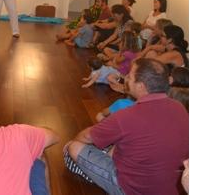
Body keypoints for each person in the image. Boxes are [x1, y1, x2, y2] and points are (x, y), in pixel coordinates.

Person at [64, 58, 189, 195]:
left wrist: (74, 142)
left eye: (130, 75)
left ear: (141, 86)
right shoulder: (179, 107)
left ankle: (98, 178)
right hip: (171, 187)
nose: (127, 78)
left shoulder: (127, 115)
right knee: (121, 141)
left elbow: (86, 136)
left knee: (73, 147)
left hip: (132, 188)